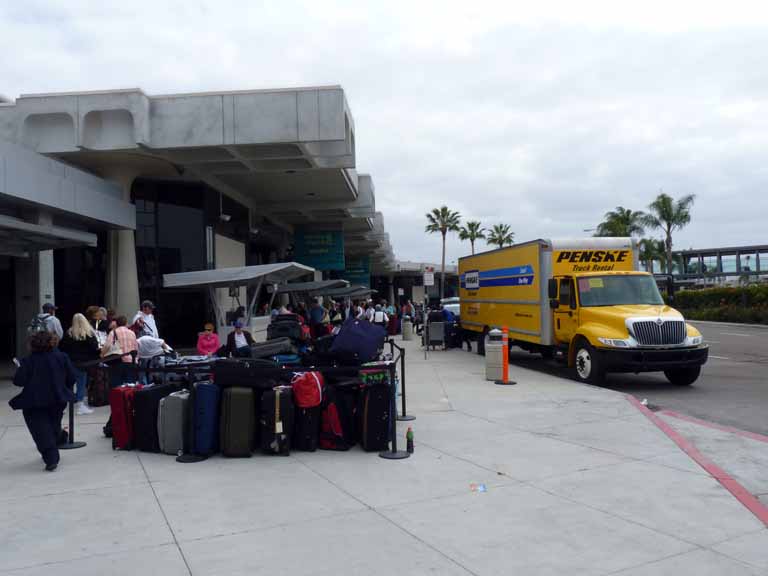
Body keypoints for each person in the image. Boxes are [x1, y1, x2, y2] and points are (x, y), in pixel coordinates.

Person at [9, 331, 77, 471]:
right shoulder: (62, 357)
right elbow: (72, 377)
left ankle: (51, 456)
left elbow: (19, 381)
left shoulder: (28, 361)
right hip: (57, 398)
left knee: (40, 430)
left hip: (35, 400)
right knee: (52, 425)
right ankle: (59, 438)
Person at [58, 313, 99, 415]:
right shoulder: (88, 333)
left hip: (71, 362)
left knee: (68, 383)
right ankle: (80, 404)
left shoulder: (69, 333)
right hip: (84, 363)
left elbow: (63, 348)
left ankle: (63, 406)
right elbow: (94, 347)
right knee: (81, 383)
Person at [101, 316, 139, 388]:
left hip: (118, 361)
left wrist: (102, 355)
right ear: (125, 323)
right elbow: (136, 348)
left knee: (117, 385)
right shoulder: (132, 333)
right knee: (130, 385)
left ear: (116, 323)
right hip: (131, 361)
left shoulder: (113, 332)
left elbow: (107, 346)